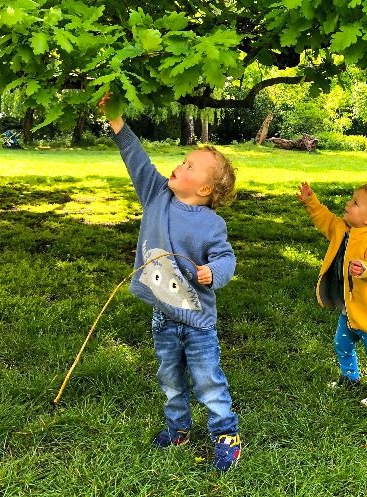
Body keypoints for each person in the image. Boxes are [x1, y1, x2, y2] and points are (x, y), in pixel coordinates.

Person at [99, 93, 241, 471]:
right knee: (170, 378)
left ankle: (226, 434)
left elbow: (227, 258)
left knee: (207, 381)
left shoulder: (212, 224)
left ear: (205, 190)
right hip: (163, 315)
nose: (179, 165)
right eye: (183, 160)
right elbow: (136, 159)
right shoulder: (156, 195)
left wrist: (215, 273)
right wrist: (117, 122)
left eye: (190, 165)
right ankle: (178, 427)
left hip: (197, 323)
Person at [296, 181, 367, 408]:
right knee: (342, 345)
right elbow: (324, 220)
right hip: (350, 311)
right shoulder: (343, 230)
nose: (348, 203)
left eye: (355, 203)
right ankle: (350, 378)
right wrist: (311, 201)